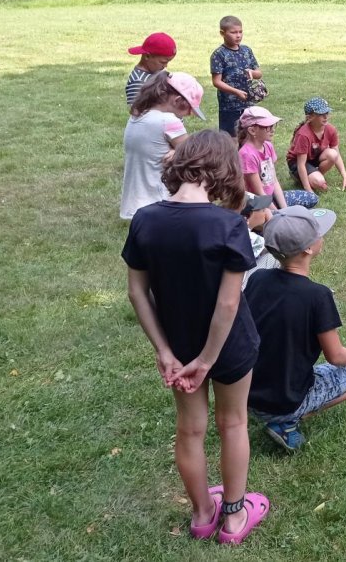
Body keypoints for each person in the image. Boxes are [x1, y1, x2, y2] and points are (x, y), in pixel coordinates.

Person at [122, 130, 269, 544]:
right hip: (230, 347)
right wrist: (207, 360)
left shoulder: (145, 219)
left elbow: (137, 292)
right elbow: (228, 304)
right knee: (233, 422)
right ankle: (234, 519)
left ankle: (203, 514)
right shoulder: (228, 225)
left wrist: (164, 351)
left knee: (190, 429)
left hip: (178, 344)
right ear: (224, 170)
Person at [246, 206, 346, 451]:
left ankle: (281, 416)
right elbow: (336, 356)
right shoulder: (317, 296)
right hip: (284, 401)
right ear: (308, 249)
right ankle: (288, 422)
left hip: (245, 394)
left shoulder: (257, 278)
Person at [121, 72, 205, 220]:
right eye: (189, 109)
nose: (190, 114)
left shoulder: (138, 115)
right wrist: (180, 152)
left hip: (136, 201)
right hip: (159, 201)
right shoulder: (168, 121)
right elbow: (195, 157)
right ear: (178, 100)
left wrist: (175, 150)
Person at [286, 97, 346, 195]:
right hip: (297, 162)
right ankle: (301, 178)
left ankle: (314, 175)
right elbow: (301, 164)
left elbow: (337, 155)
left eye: (327, 113)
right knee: (321, 184)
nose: (325, 117)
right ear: (310, 118)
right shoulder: (303, 135)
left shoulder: (331, 129)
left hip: (313, 157)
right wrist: (308, 190)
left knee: (333, 154)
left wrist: (345, 179)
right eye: (321, 114)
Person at [210, 15, 261, 137]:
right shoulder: (219, 54)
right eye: (233, 32)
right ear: (222, 33)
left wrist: (252, 73)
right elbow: (217, 81)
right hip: (229, 106)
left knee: (250, 135)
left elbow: (259, 73)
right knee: (231, 138)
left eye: (240, 32)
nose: (238, 35)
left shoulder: (246, 50)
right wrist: (236, 92)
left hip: (248, 103)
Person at [237, 106, 287, 210]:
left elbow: (274, 180)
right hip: (257, 203)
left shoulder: (268, 146)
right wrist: (279, 214)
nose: (272, 130)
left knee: (311, 198)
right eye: (267, 127)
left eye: (273, 126)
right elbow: (259, 192)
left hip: (270, 197)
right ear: (252, 130)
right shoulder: (247, 154)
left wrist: (285, 209)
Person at [125, 31, 177, 106]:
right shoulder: (138, 81)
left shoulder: (155, 72)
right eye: (163, 62)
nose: (165, 66)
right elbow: (136, 110)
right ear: (147, 56)